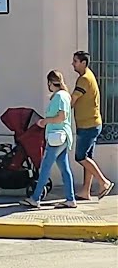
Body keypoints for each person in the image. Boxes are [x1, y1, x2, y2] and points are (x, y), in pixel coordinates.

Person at [22, 70, 77, 209]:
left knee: (45, 167)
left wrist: (45, 121)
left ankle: (35, 198)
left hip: (56, 137)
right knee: (64, 169)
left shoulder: (59, 96)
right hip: (62, 137)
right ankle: (70, 199)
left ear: (51, 82)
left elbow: (61, 116)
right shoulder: (64, 95)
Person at [70, 50, 113, 200]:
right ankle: (85, 191)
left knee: (80, 157)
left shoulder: (84, 79)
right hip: (92, 123)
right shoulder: (89, 76)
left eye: (75, 61)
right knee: (88, 158)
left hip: (88, 125)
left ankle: (104, 182)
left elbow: (73, 100)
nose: (72, 64)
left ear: (83, 63)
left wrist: (59, 106)